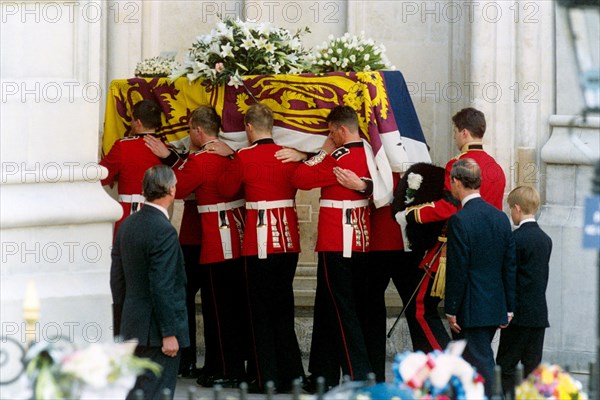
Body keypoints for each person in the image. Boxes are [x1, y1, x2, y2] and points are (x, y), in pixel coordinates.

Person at [395, 107, 506, 352]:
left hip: (451, 248)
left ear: (464, 132)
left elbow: (449, 207)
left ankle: (447, 362)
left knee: (420, 307)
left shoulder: (457, 164)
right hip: (486, 250)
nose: (455, 137)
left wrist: (412, 214)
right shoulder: (497, 168)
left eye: (456, 132)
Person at [217, 103, 305, 393]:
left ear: (249, 128)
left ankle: (266, 376)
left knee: (261, 313)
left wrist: (230, 157)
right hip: (288, 241)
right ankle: (292, 375)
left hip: (259, 243)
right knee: (284, 309)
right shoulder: (288, 155)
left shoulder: (244, 155)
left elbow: (227, 189)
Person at [291, 105, 373, 391]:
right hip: (360, 239)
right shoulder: (369, 154)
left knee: (340, 311)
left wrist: (322, 152)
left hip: (337, 240)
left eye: (331, 132)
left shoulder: (339, 156)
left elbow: (299, 178)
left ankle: (358, 375)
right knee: (326, 307)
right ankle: (323, 374)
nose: (329, 137)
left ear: (340, 130)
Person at [168, 106, 247, 388]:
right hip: (238, 236)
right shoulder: (233, 153)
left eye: (190, 130)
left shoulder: (201, 160)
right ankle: (232, 364)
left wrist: (176, 158)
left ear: (198, 131)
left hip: (217, 238)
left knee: (217, 309)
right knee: (232, 307)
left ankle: (223, 367)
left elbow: (174, 188)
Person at [110, 165, 189, 400]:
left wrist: (122, 328)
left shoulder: (126, 225)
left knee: (135, 393)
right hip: (156, 333)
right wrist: (169, 333)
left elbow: (117, 281)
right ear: (172, 189)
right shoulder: (163, 230)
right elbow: (162, 284)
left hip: (132, 327)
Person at [444, 158, 516, 398]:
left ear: (456, 182)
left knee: (480, 363)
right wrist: (509, 306)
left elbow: (458, 268)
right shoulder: (500, 217)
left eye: (451, 182)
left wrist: (451, 308)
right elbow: (509, 265)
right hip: (494, 304)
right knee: (471, 363)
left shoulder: (459, 220)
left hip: (471, 307)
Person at [496, 186, 552, 398]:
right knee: (532, 369)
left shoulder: (516, 239)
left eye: (511, 208)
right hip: (538, 315)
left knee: (506, 365)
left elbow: (510, 277)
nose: (511, 212)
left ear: (517, 208)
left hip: (518, 315)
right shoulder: (546, 239)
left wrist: (506, 309)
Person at [100, 99, 180, 236]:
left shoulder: (123, 146)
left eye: (131, 120)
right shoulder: (167, 150)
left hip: (130, 213)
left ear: (138, 123)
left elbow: (102, 176)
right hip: (159, 214)